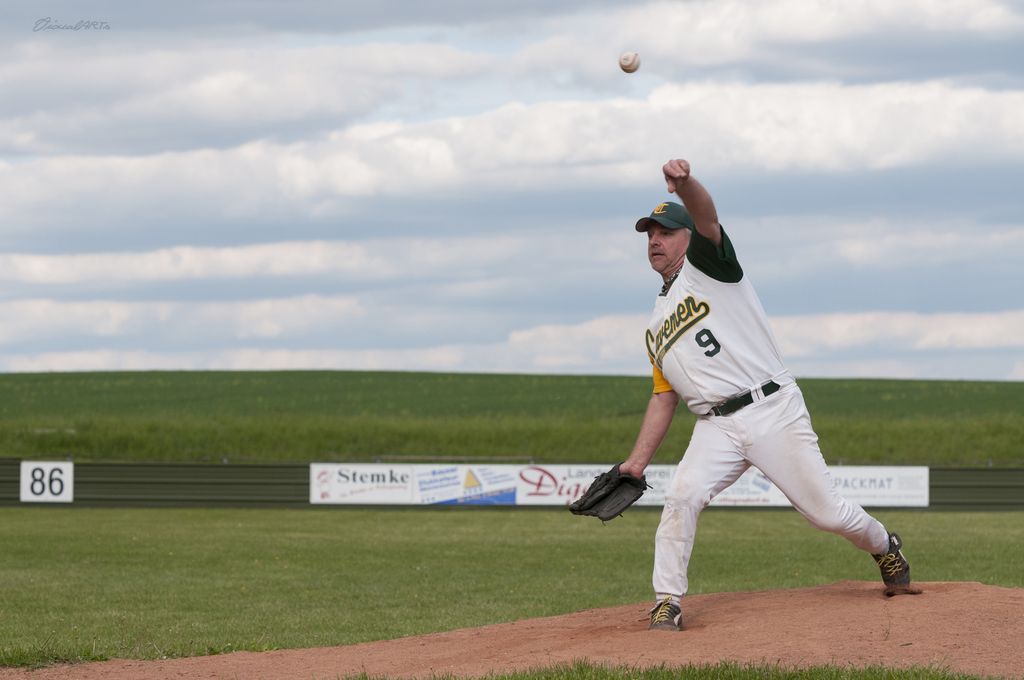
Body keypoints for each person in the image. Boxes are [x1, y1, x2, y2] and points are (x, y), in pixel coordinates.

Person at [618, 158, 917, 632]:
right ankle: (667, 601)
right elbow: (663, 398)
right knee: (681, 496)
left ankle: (884, 546)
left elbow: (707, 217)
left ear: (687, 238)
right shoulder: (655, 327)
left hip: (771, 407)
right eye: (649, 234)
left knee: (827, 514)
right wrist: (635, 464)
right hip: (716, 425)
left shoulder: (708, 267)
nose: (655, 240)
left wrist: (686, 185)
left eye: (666, 231)